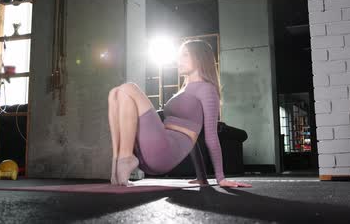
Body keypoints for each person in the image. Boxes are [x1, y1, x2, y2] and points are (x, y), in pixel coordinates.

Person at [107, 39, 252, 188]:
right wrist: (202, 178)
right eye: (179, 56)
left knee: (129, 88)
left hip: (163, 152)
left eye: (185, 55)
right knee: (115, 94)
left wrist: (220, 178)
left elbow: (210, 136)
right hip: (155, 148)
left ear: (200, 57)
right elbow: (192, 142)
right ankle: (117, 160)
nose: (179, 60)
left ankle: (126, 158)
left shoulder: (207, 90)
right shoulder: (183, 90)